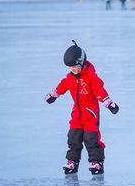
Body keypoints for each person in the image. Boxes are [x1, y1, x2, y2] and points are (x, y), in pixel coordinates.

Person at [45, 40, 119, 175]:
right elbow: (62, 86)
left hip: (90, 114)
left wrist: (109, 103)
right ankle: (73, 162)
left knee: (91, 138)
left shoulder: (91, 77)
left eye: (75, 66)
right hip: (77, 114)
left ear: (81, 62)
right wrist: (53, 94)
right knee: (73, 137)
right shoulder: (70, 78)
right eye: (70, 67)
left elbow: (100, 91)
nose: (73, 69)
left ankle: (97, 162)